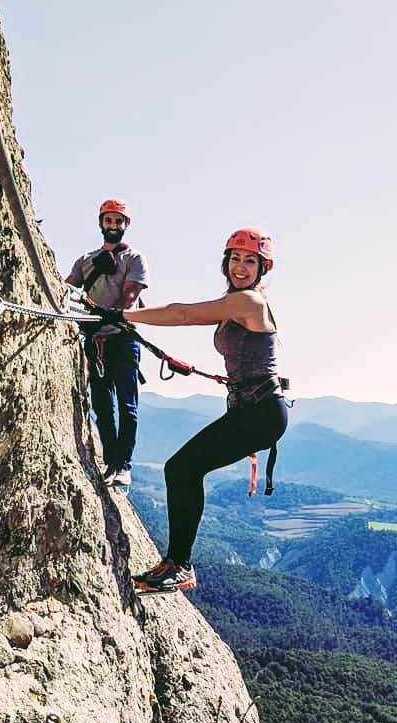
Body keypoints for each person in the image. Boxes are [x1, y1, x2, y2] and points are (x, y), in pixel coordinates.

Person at [84, 227, 288, 593]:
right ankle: (176, 562)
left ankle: (179, 565)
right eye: (236, 259)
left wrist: (121, 316)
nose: (241, 266)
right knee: (184, 468)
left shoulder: (250, 303)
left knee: (182, 468)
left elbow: (182, 314)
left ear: (263, 267)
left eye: (250, 261)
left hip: (260, 411)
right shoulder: (235, 301)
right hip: (251, 407)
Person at [66, 198, 149, 488]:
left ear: (126, 225)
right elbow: (68, 288)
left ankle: (123, 464)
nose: (113, 226)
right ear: (101, 223)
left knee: (128, 406)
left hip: (122, 339)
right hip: (94, 340)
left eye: (118, 221)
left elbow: (130, 297)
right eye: (109, 220)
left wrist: (102, 318)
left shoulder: (134, 259)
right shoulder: (85, 260)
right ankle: (112, 461)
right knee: (102, 407)